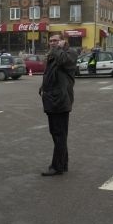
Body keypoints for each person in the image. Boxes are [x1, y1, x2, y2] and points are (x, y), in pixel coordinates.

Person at [39, 35, 78, 176]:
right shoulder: (53, 55)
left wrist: (57, 49)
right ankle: (63, 163)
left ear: (63, 41)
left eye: (55, 40)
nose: (52, 43)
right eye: (50, 41)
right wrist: (43, 86)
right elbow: (50, 75)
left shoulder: (70, 53)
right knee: (58, 134)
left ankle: (57, 166)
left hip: (60, 100)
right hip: (52, 100)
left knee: (59, 135)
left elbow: (63, 61)